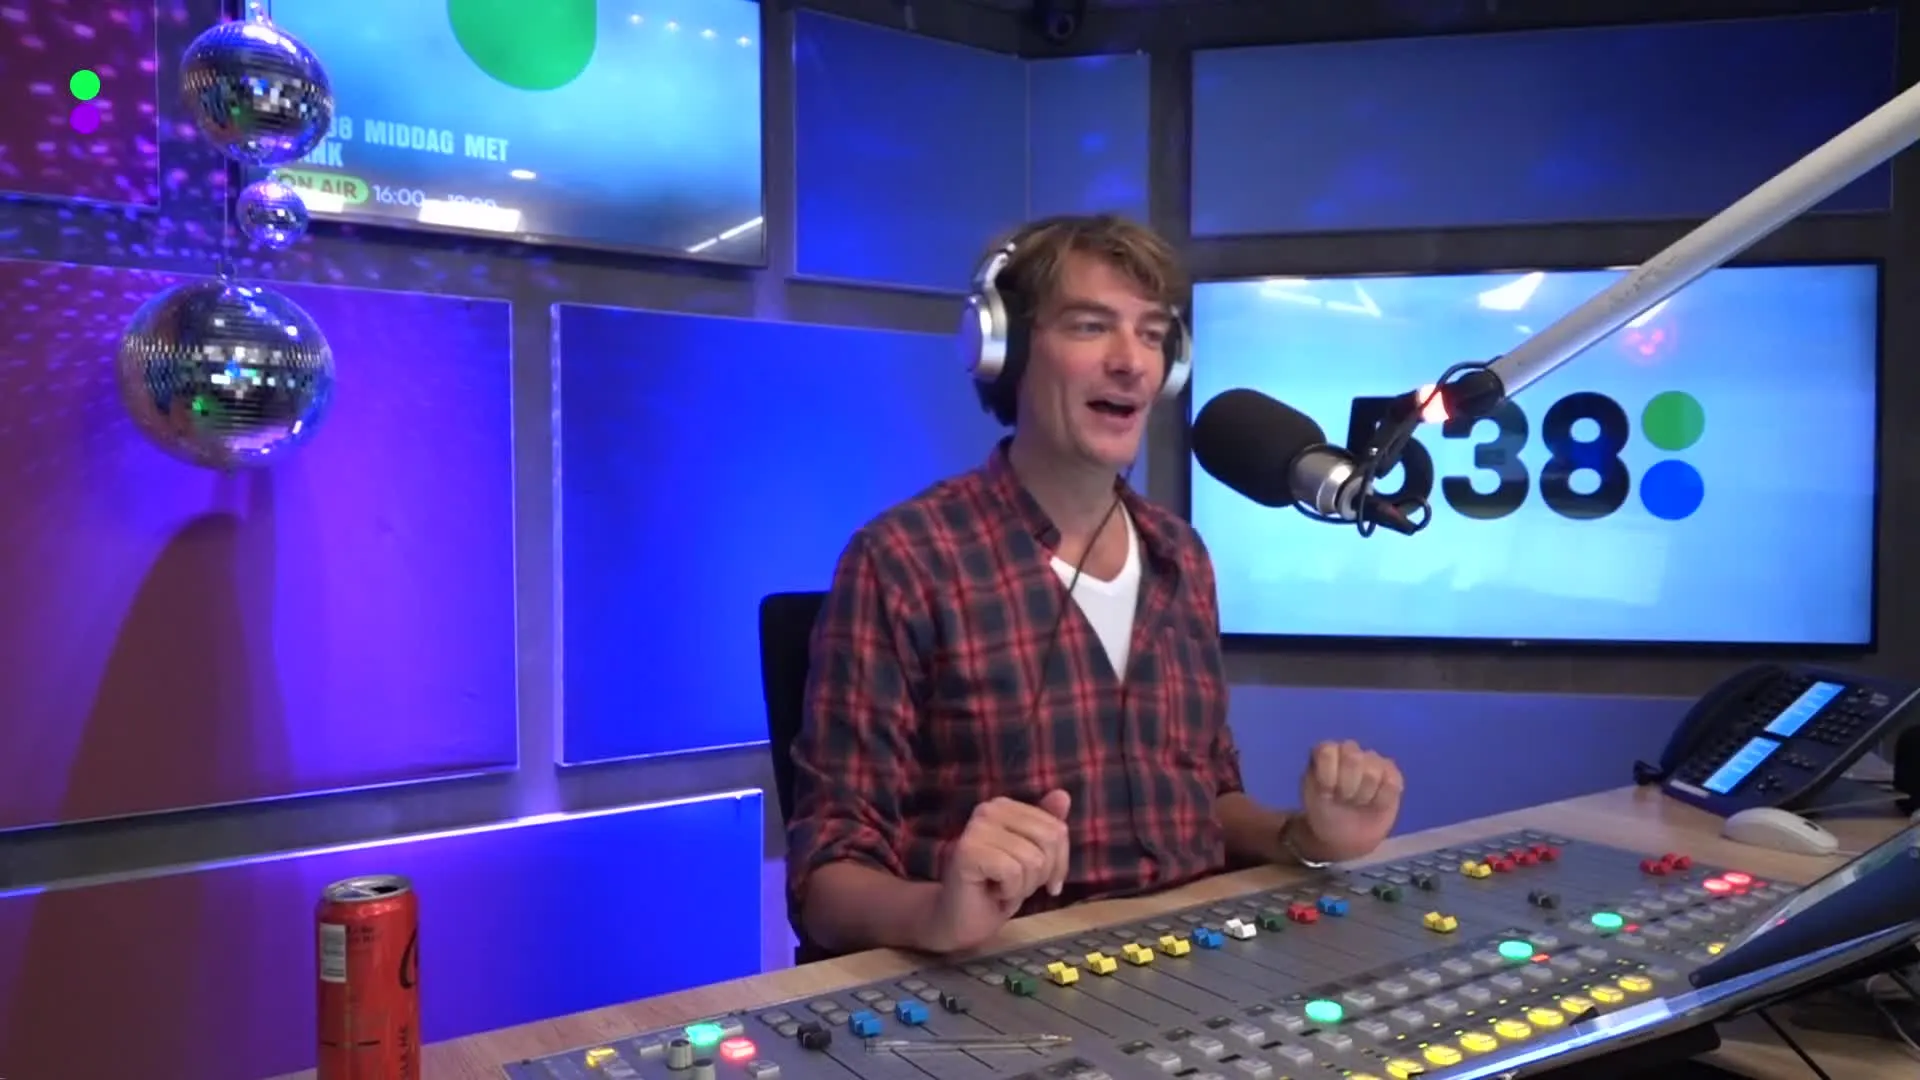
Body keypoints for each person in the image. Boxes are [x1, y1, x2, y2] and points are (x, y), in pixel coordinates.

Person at [785, 214, 1405, 959]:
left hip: (1191, 966)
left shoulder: (1180, 556)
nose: (1132, 362)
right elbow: (825, 880)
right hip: (1000, 985)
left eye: (1152, 334)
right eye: (1090, 326)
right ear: (1004, 349)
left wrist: (1305, 836)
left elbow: (1205, 800)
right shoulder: (905, 560)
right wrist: (938, 913)